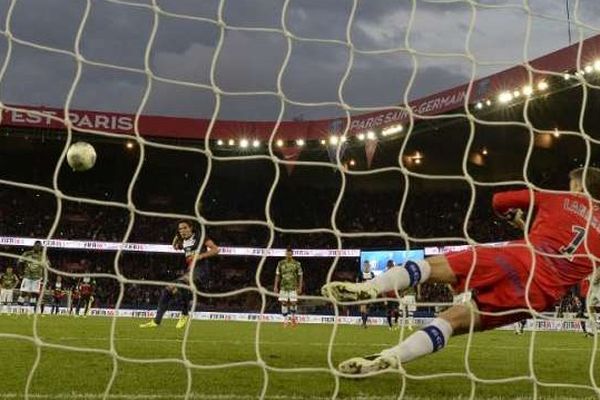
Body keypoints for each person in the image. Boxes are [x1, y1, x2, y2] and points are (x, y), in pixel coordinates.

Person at [321, 167, 600, 375]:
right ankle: (390, 357)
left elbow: (499, 200)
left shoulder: (557, 198)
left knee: (431, 265)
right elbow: (571, 248)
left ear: (577, 187)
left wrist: (514, 217)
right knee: (452, 321)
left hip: (518, 257)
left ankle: (372, 287)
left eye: (571, 184)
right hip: (540, 294)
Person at [140, 220, 219, 329]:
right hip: (190, 271)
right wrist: (177, 237)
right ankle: (156, 321)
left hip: (201, 270)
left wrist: (200, 256)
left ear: (191, 228)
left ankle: (185, 314)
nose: (182, 230)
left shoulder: (200, 237)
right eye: (180, 229)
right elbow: (175, 247)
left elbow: (216, 249)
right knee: (167, 290)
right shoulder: (184, 242)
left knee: (181, 284)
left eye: (185, 228)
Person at [18, 241, 50, 314]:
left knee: (34, 294)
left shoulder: (43, 255)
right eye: (36, 245)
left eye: (39, 246)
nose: (37, 247)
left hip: (37, 278)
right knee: (23, 293)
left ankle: (32, 312)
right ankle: (18, 311)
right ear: (34, 246)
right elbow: (20, 263)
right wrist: (20, 273)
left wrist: (45, 277)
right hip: (27, 276)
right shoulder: (27, 253)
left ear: (41, 247)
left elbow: (47, 267)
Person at [274, 247, 303, 327]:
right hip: (283, 286)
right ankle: (285, 320)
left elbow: (300, 275)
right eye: (287, 253)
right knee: (284, 302)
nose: (289, 255)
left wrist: (300, 287)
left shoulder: (297, 264)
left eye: (290, 254)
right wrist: (275, 286)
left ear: (292, 254)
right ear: (285, 254)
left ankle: (293, 318)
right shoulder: (281, 263)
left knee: (294, 303)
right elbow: (277, 275)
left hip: (293, 286)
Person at [358, 260, 375, 328]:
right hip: (363, 293)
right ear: (363, 266)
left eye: (367, 265)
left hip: (369, 293)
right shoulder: (361, 274)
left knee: (367, 309)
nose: (366, 267)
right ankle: (364, 323)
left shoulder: (372, 274)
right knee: (362, 309)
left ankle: (364, 323)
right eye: (365, 265)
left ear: (369, 266)